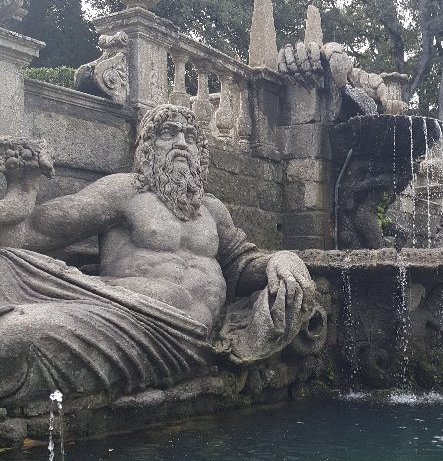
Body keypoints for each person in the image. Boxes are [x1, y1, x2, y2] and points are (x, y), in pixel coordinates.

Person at [0, 104, 315, 403]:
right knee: (18, 336)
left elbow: (242, 265)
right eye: (168, 133)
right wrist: (22, 192)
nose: (180, 142)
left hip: (199, 338)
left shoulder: (211, 209)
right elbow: (32, 233)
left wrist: (282, 258)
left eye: (189, 137)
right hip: (126, 319)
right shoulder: (124, 192)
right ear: (147, 147)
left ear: (199, 153)